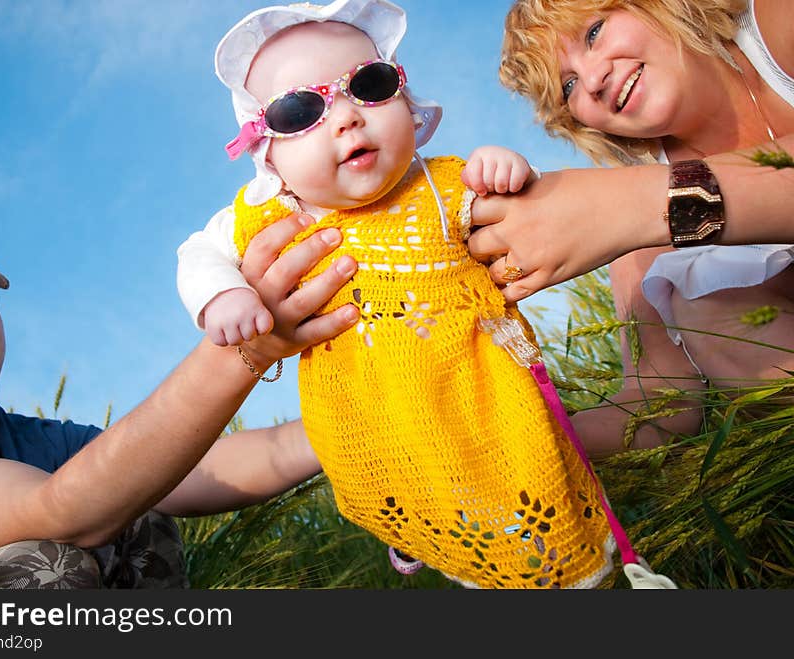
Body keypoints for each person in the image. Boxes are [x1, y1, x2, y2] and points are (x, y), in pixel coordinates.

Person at [176, 0, 636, 590]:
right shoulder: (263, 216)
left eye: (368, 86)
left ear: (408, 102)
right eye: (299, 111)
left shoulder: (441, 183)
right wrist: (222, 296)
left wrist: (505, 168)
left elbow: (521, 213)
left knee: (533, 522)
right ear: (266, 151)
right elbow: (198, 254)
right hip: (370, 420)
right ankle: (420, 532)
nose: (346, 119)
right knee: (411, 491)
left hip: (477, 399)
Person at [0, 219, 357, 588]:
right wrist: (248, 351)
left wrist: (360, 419)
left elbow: (187, 471)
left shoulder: (30, 440)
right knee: (46, 568)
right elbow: (60, 511)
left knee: (137, 508)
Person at [465, 0, 794, 456]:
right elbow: (663, 402)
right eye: (569, 85)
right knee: (707, 307)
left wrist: (642, 203)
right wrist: (523, 441)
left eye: (594, 32)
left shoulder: (776, 28)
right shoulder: (634, 232)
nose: (595, 80)